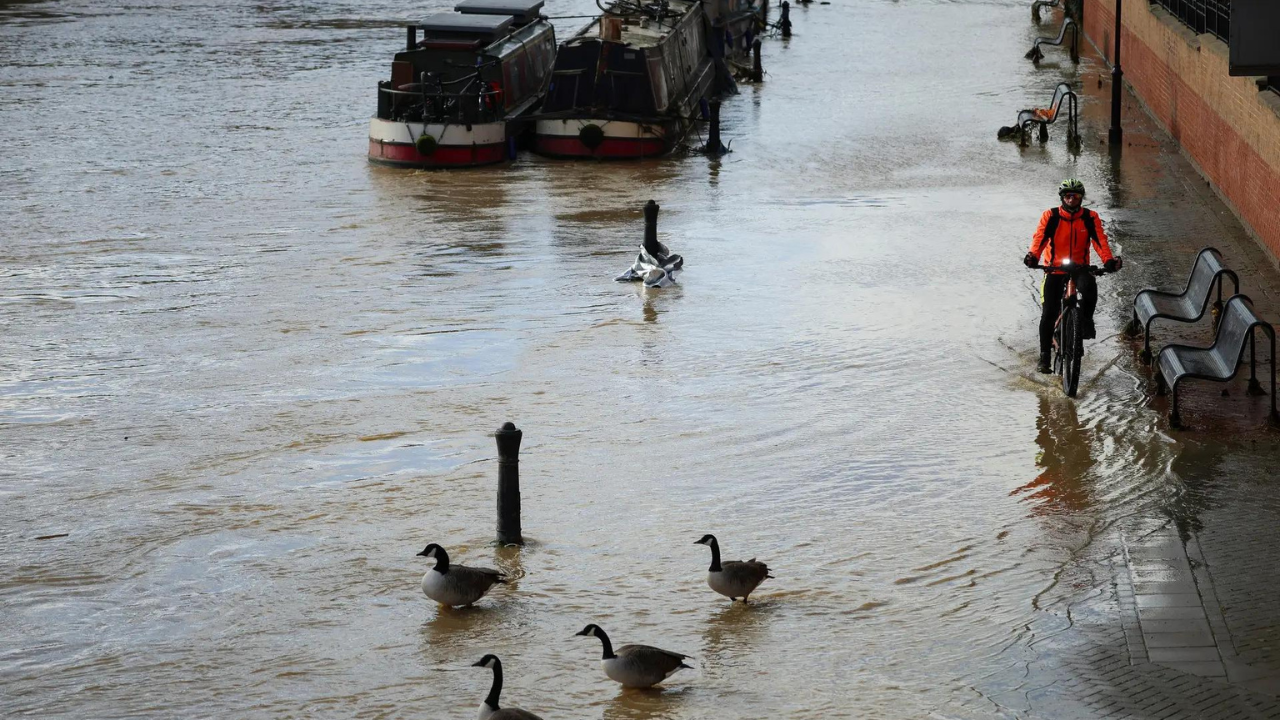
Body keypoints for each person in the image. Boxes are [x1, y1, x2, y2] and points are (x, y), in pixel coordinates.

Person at [1023, 179, 1122, 373]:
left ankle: (1085, 322)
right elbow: (1039, 239)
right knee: (1049, 313)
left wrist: (1108, 261)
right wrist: (1033, 257)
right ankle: (1044, 357)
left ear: (1081, 199)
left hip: (1080, 268)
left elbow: (1100, 241)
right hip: (1054, 268)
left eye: (1075, 196)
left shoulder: (1090, 217)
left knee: (1090, 288)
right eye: (1067, 196)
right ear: (1062, 198)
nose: (1071, 199)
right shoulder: (1050, 216)